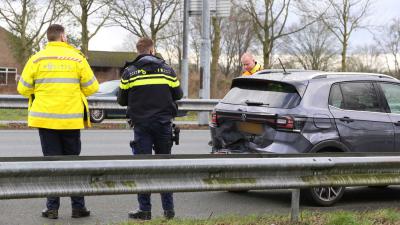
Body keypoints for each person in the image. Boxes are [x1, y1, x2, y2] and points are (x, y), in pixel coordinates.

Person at [17, 24, 99, 219]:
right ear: (63, 37)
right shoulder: (77, 58)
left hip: (45, 121)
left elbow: (23, 89)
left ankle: (52, 208)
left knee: (52, 165)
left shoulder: (36, 59)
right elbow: (92, 87)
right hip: (71, 121)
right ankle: (78, 207)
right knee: (73, 165)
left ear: (49, 38)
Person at [117, 37, 183, 220]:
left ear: (138, 51)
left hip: (141, 125)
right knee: (164, 168)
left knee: (143, 167)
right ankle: (169, 211)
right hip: (163, 124)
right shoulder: (168, 70)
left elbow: (122, 100)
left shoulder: (129, 72)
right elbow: (179, 94)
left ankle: (144, 210)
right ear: (152, 50)